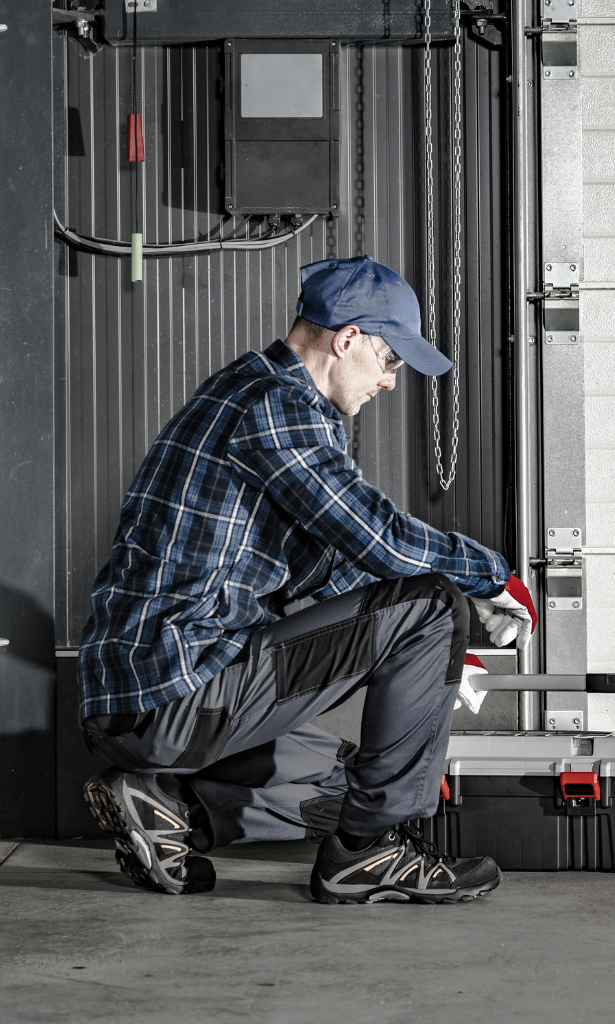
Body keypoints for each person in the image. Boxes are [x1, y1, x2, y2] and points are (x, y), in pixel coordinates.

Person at [75, 255, 534, 904]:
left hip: (149, 698)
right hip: (175, 692)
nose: (391, 382)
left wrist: (430, 666)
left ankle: (174, 808)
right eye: (391, 361)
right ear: (347, 340)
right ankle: (367, 855)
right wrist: (490, 579)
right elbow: (378, 538)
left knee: (348, 777)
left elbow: (332, 565)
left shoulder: (245, 390)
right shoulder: (277, 406)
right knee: (432, 605)